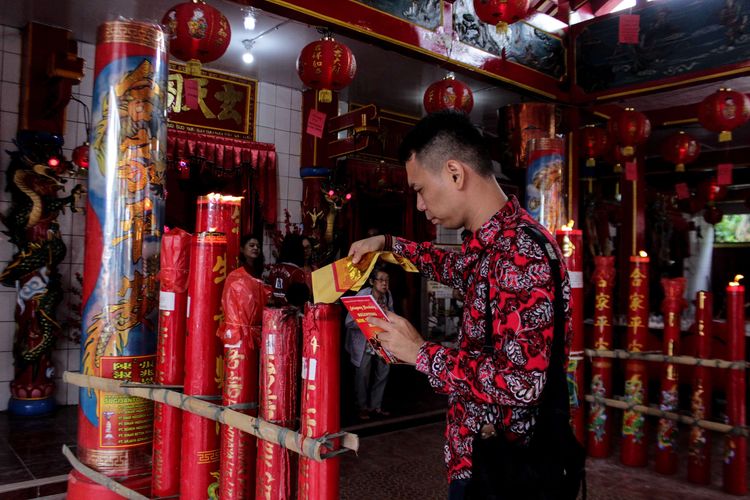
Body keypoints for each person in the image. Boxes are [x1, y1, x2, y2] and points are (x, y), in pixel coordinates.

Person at [347, 110, 574, 498]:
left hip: (507, 469)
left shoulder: (521, 252)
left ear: (455, 173)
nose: (419, 205)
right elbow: (453, 265)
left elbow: (521, 382)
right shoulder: (490, 243)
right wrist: (387, 244)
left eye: (419, 189)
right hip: (478, 456)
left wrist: (421, 352)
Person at [344, 265, 394, 420]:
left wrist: (387, 315)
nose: (385, 284)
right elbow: (348, 323)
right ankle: (362, 407)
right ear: (372, 281)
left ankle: (375, 406)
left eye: (387, 280)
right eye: (381, 280)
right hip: (364, 341)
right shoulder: (362, 296)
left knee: (383, 372)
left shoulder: (387, 296)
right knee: (362, 375)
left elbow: (393, 317)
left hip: (381, 340)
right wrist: (366, 318)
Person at [265, 233, 310, 307]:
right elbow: (300, 299)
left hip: (272, 313)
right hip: (289, 314)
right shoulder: (297, 272)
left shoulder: (273, 269)